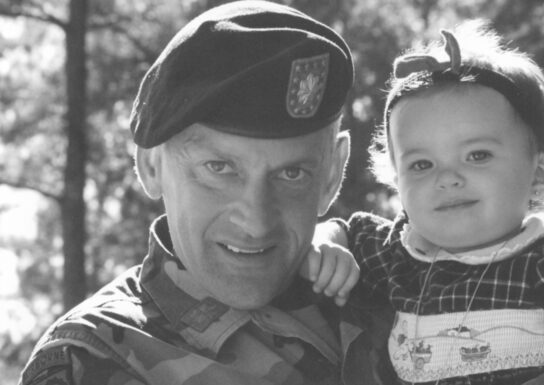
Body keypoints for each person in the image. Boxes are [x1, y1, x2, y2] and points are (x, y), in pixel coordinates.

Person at [18, 2, 392, 384]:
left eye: (291, 173)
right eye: (220, 168)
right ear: (151, 166)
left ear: (332, 174)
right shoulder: (90, 361)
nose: (256, 221)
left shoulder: (398, 291)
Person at [308, 21, 544, 385]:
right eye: (422, 164)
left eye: (477, 155)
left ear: (539, 172)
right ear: (396, 181)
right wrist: (324, 243)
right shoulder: (400, 259)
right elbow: (343, 231)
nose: (447, 177)